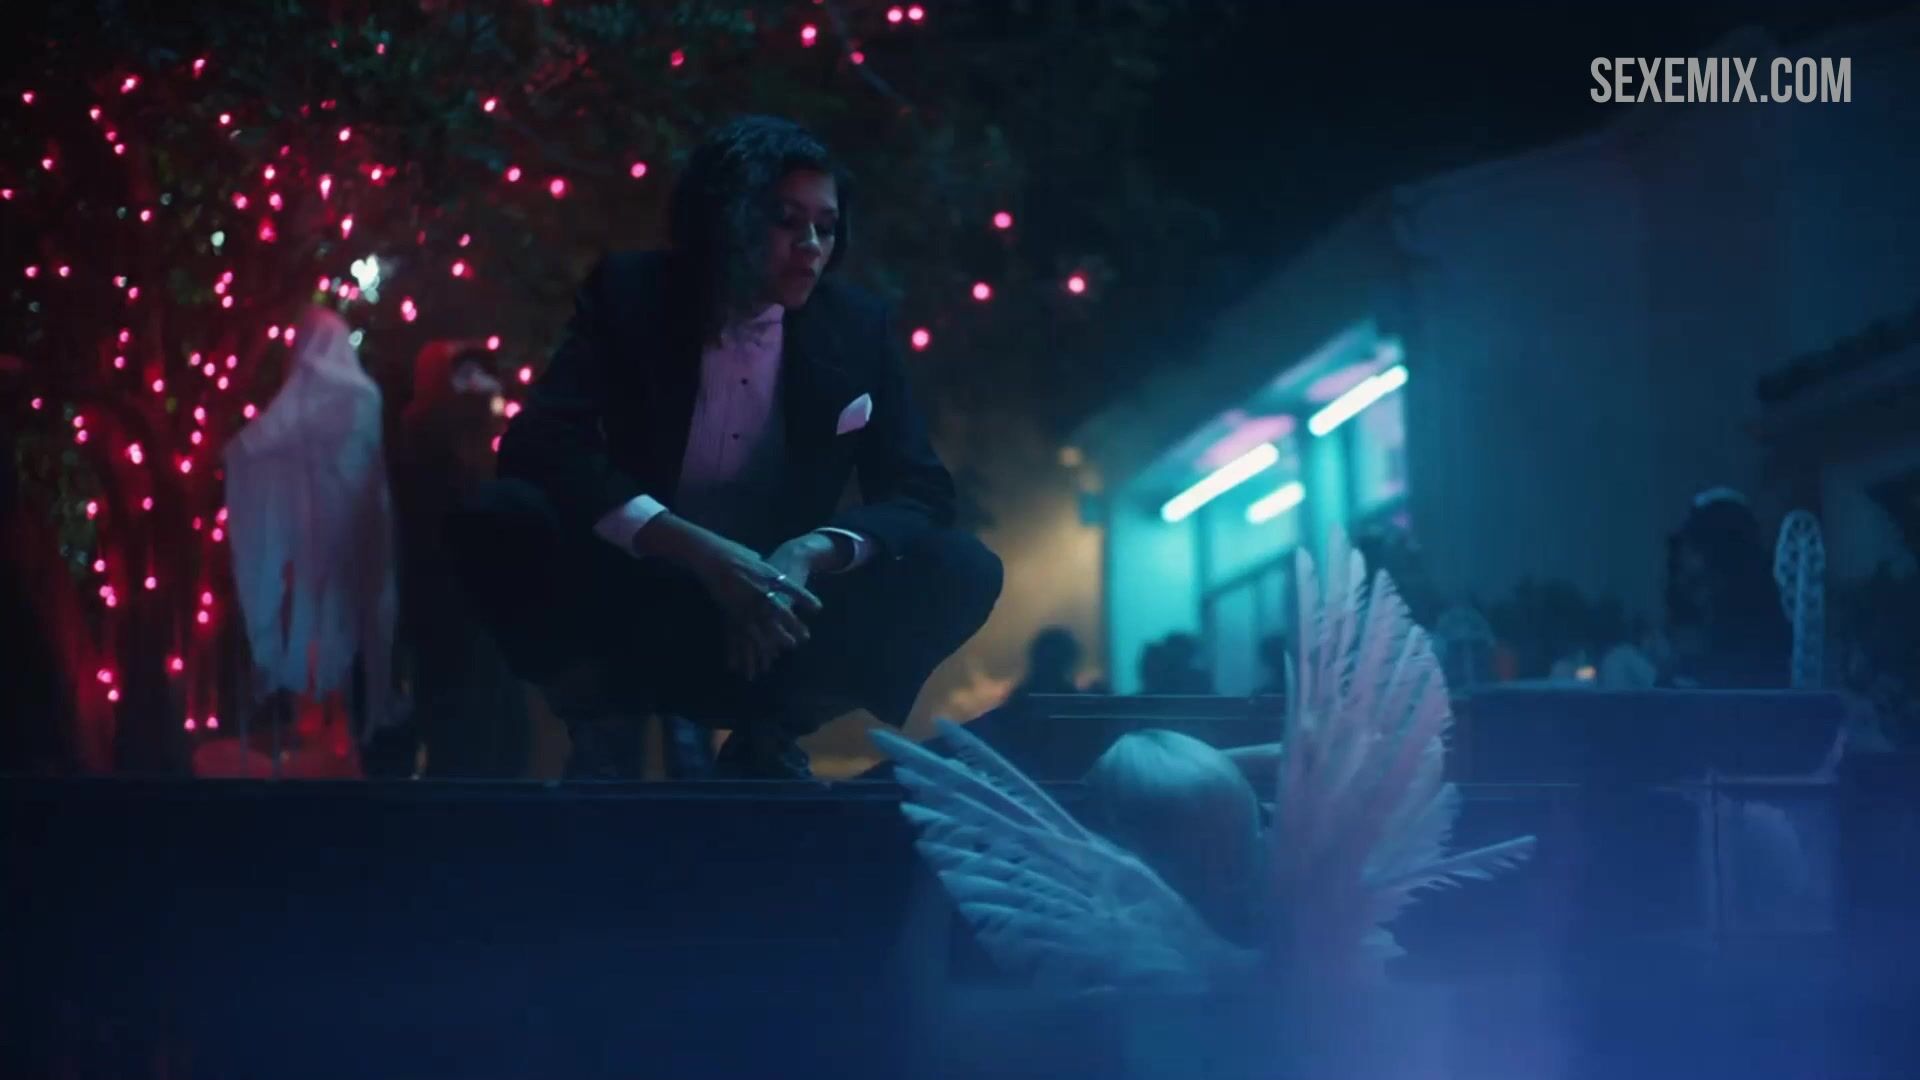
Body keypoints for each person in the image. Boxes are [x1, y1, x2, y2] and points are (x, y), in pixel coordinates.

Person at [449, 116, 1003, 780]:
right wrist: (699, 551)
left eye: (826, 227)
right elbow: (539, 444)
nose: (811, 246)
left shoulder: (856, 325)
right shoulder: (632, 294)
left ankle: (773, 731)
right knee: (496, 515)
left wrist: (805, 555)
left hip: (779, 622)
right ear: (724, 219)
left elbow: (920, 489)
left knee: (963, 567)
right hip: (636, 602)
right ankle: (597, 712)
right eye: (786, 222)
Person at [223, 305, 399, 775]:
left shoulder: (308, 390)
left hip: (310, 535)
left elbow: (265, 439)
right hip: (354, 533)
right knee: (345, 622)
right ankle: (338, 731)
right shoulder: (365, 395)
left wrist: (234, 452)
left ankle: (319, 726)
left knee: (310, 624)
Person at [393, 341, 530, 778]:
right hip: (451, 612)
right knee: (463, 737)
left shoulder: (466, 450)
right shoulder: (427, 451)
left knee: (483, 735)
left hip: (475, 615)